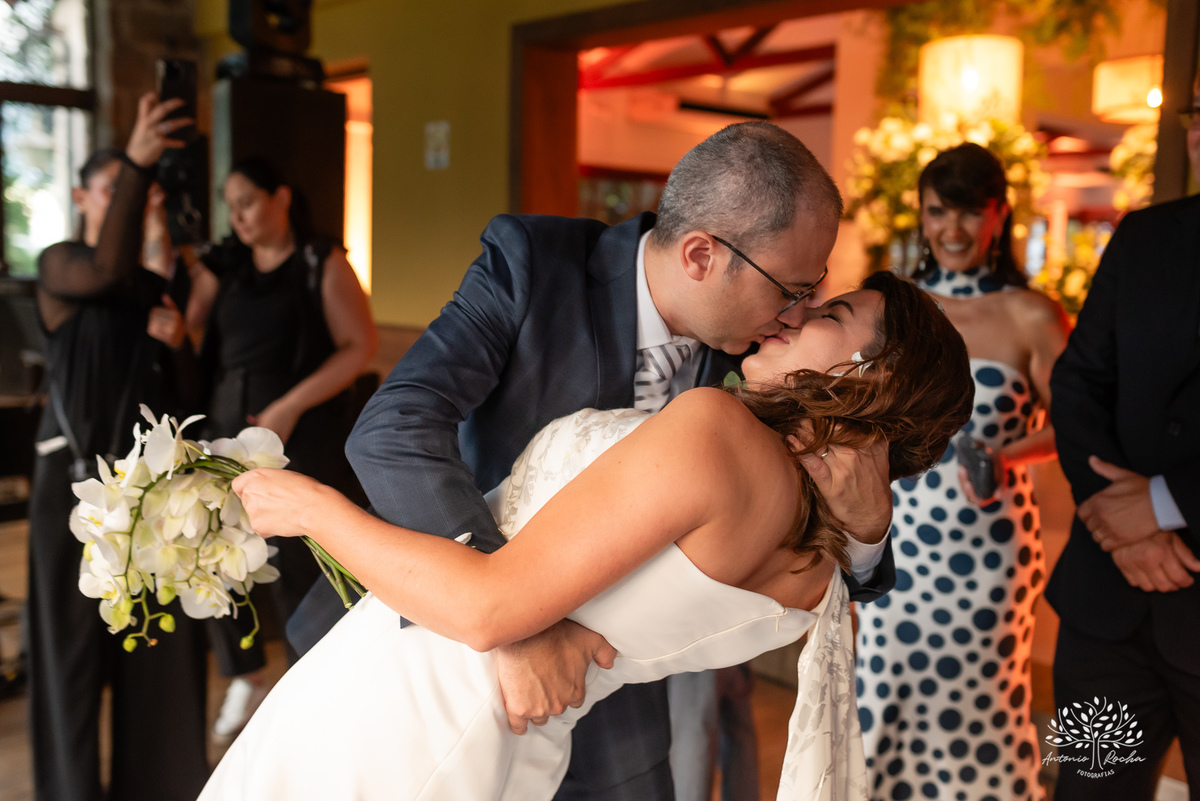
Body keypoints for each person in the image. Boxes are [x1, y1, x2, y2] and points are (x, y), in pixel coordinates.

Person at [289, 121, 899, 800]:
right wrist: (513, 627)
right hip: (424, 664)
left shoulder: (762, 362)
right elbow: (393, 426)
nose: (796, 315)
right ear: (700, 256)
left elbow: (833, 550)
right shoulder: (533, 266)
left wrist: (870, 530)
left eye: (812, 292)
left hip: (616, 717)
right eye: (791, 288)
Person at [199, 270, 974, 800]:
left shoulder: (718, 431)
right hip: (507, 732)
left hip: (424, 697)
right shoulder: (816, 558)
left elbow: (484, 610)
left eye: (828, 313)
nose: (794, 309)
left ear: (871, 378)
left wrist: (314, 510)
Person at [855, 143, 1070, 801]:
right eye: (937, 211)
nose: (952, 229)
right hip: (895, 538)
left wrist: (1006, 456)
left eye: (970, 213)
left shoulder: (1031, 313)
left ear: (1000, 216)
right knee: (884, 693)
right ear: (921, 215)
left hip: (988, 549)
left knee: (981, 704)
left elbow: (1076, 423)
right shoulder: (895, 307)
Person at [26, 93, 210, 801]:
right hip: (69, 497)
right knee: (68, 658)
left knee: (156, 657)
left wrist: (182, 343)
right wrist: (137, 159)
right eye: (115, 188)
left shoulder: (155, 288)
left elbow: (186, 400)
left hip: (150, 506)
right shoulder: (61, 267)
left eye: (139, 191)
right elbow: (104, 267)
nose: (133, 199)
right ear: (82, 196)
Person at [1045, 77, 1200, 799]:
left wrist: (1167, 502)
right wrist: (1122, 524)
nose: (1198, 131)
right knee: (1086, 789)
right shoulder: (1142, 237)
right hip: (1107, 617)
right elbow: (1077, 384)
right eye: (1197, 113)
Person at [190, 156, 378, 743]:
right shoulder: (225, 265)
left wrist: (292, 405)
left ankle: (312, 691)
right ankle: (246, 674)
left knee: (302, 564)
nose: (237, 216)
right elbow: (192, 330)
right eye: (231, 205)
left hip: (302, 438)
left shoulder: (320, 261)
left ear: (282, 197)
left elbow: (359, 346)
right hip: (224, 431)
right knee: (216, 555)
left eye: (247, 201)